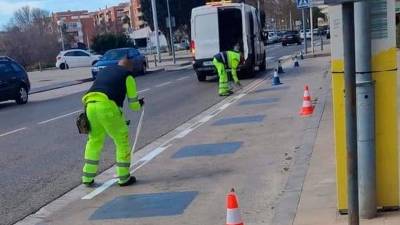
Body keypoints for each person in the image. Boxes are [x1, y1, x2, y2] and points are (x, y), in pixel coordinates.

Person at [81, 58, 144, 187]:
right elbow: (134, 105)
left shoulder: (105, 70)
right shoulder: (127, 76)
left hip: (89, 105)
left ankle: (87, 177)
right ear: (129, 68)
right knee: (121, 140)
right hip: (107, 107)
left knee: (94, 141)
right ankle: (123, 177)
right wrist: (140, 103)